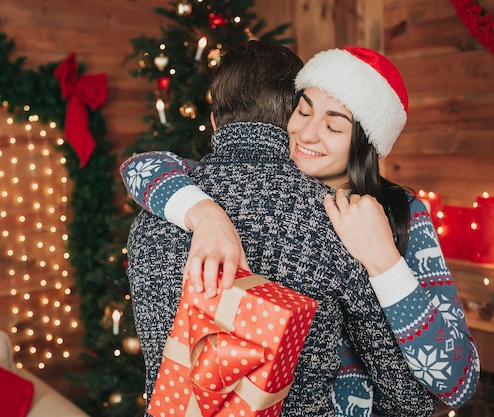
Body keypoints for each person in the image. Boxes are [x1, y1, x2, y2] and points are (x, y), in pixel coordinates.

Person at [121, 45, 480, 415]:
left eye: (333, 125)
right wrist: (206, 215)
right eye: (303, 111)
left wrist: (384, 261)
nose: (306, 134)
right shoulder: (220, 191)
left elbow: (458, 382)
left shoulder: (401, 213)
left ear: (365, 144)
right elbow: (145, 167)